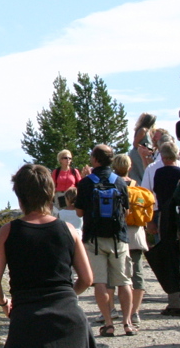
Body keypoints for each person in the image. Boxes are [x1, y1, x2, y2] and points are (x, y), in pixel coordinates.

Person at [0, 163, 94, 346]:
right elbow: (87, 279)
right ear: (50, 194)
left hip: (27, 321)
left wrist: (4, 303)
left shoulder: (8, 232)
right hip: (70, 319)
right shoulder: (68, 230)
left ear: (20, 197)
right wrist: (67, 295)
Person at [74, 144, 133, 336]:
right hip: (118, 237)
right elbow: (126, 210)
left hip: (94, 239)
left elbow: (80, 212)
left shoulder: (86, 183)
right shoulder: (120, 182)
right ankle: (127, 322)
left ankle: (108, 323)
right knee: (124, 282)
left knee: (100, 282)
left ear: (95, 159)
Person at [113, 153, 151, 329]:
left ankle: (112, 310)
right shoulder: (137, 186)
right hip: (136, 232)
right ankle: (134, 312)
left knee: (113, 273)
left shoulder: (112, 185)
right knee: (137, 273)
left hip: (115, 232)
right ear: (129, 167)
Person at [151, 141, 180, 316]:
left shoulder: (160, 173)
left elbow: (158, 194)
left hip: (167, 219)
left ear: (164, 157)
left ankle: (174, 302)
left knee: (170, 261)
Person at [51, 150, 83, 215]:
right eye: (65, 158)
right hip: (59, 197)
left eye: (70, 158)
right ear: (60, 160)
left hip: (71, 197)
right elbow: (52, 187)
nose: (68, 160)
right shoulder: (56, 172)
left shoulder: (75, 171)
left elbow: (80, 185)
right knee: (59, 216)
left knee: (72, 215)